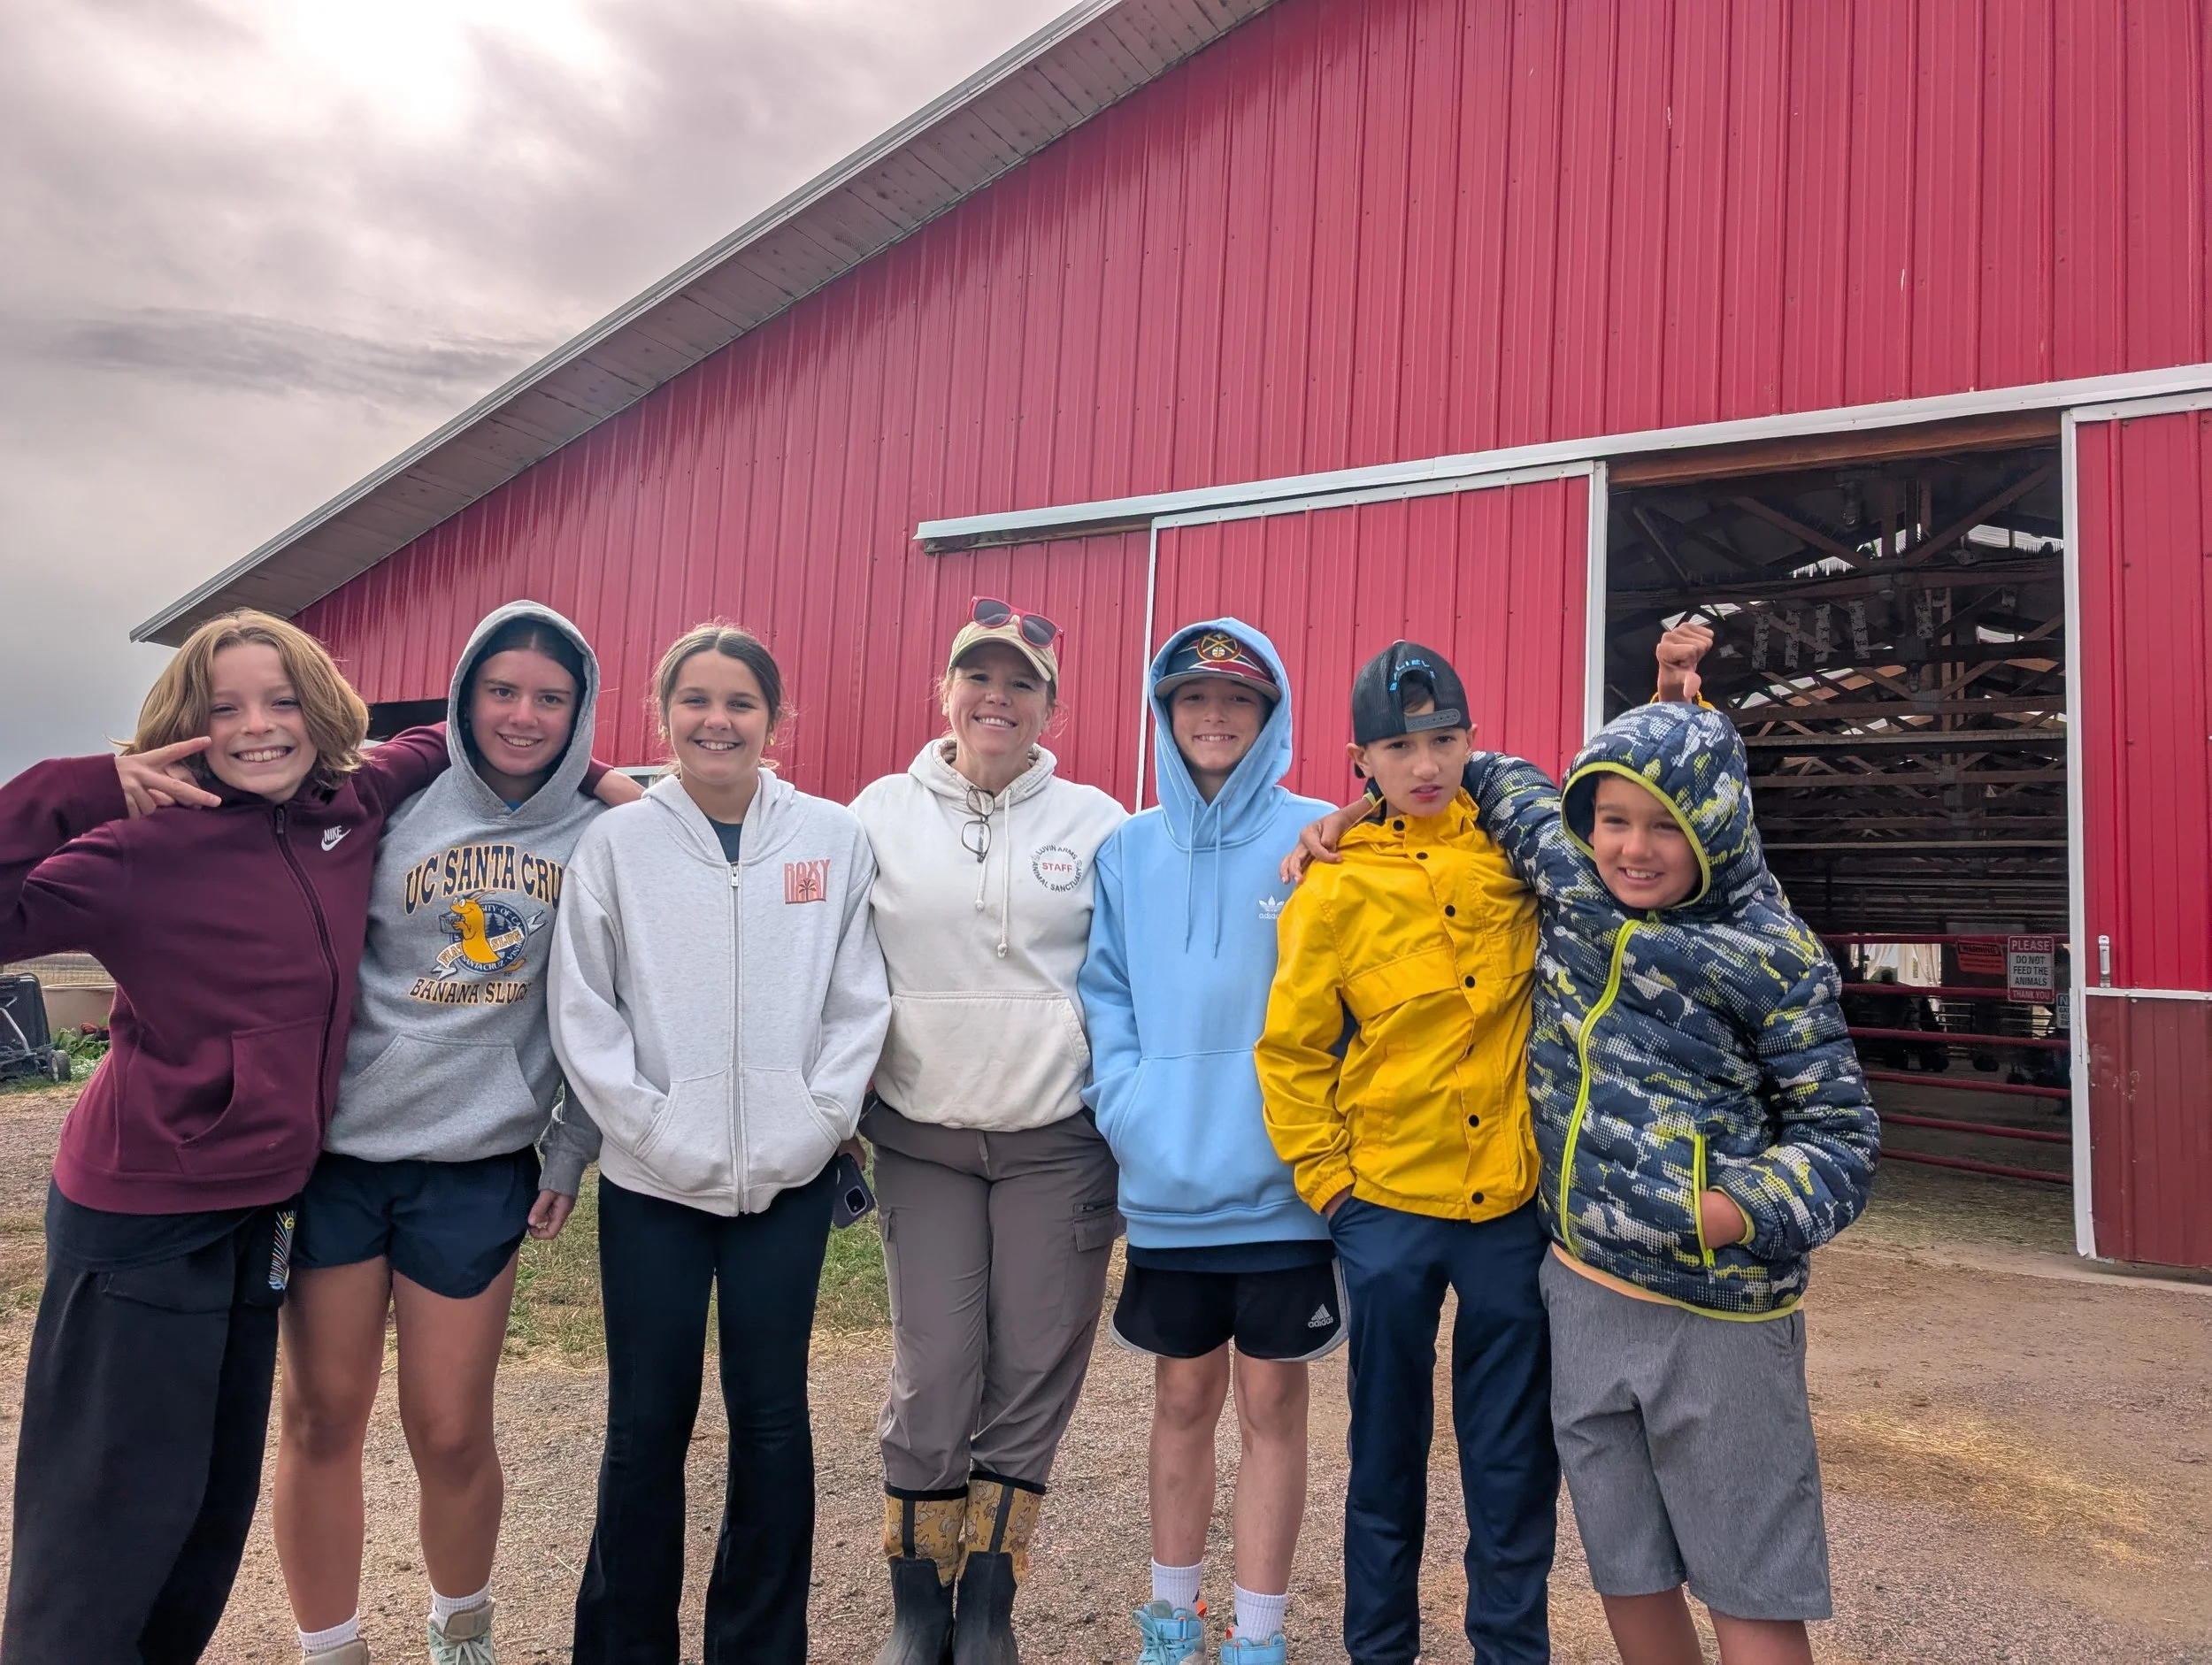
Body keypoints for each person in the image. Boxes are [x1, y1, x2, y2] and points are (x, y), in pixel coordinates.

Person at [1293, 628, 1881, 1665]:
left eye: (1666, 825)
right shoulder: (1565, 875)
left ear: (1718, 825)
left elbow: (1841, 1136)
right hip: (1579, 1285)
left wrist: (1730, 1211)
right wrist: (1355, 817)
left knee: (1742, 1579)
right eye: (1613, 819)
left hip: (1715, 1308)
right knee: (1628, 1567)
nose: (1633, 848)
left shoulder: (1769, 951)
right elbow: (1467, 767)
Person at [0, 610, 449, 1665]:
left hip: (262, 1212)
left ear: (323, 711)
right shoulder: (133, 851)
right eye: (226, 708)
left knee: (204, 1512)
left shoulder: (351, 805)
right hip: (140, 1221)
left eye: (283, 699)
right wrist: (86, 787)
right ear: (182, 730)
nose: (258, 727)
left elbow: (444, 740)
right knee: (107, 1526)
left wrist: (607, 776)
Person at [274, 602, 627, 1665]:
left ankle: (458, 1629)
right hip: (340, 1161)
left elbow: (609, 1008)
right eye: (501, 690)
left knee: (451, 1428)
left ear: (581, 713)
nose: (523, 715)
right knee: (322, 1416)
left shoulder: (603, 831)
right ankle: (328, 1644)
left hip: (476, 1169)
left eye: (551, 698)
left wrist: (570, 1149)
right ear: (466, 693)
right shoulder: (396, 801)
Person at [549, 623, 889, 1665]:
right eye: (694, 700)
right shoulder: (615, 847)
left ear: (776, 720)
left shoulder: (832, 840)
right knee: (646, 1425)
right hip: (652, 1182)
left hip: (785, 1182)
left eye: (740, 701)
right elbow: (584, 1012)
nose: (717, 720)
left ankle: (756, 1644)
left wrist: (818, 1120)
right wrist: (648, 1125)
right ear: (662, 717)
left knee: (774, 1421)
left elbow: (857, 999)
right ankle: (623, 1645)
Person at [1254, 641, 1555, 1665]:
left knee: (1511, 1457)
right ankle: (1378, 1650)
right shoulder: (1330, 891)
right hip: (1386, 1208)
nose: (1424, 763)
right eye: (1398, 746)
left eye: (1442, 739)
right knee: (1384, 1451)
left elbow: (1621, 834)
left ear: (1473, 742)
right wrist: (1333, 1191)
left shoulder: (1516, 859)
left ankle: (1509, 1649)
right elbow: (1290, 1052)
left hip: (1508, 1212)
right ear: (1360, 758)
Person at [851, 598, 1126, 1665]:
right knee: (935, 1364)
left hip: (1056, 1139)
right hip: (922, 1134)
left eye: (1020, 683)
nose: (996, 698)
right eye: (979, 676)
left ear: (1050, 704)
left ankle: (989, 1601)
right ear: (947, 692)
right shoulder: (877, 813)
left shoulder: (1098, 822)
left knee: (1032, 1364)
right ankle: (918, 1601)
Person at [1078, 621, 1338, 1665]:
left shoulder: (1320, 835)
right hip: (1169, 1181)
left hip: (1282, 1186)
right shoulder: (1127, 850)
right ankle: (1171, 1623)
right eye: (1191, 699)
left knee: (1273, 1398)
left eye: (1239, 701)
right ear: (1164, 713)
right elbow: (1105, 997)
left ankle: (1259, 1636)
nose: (1214, 715)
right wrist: (1129, 1104)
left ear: (1270, 718)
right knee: (1182, 1393)